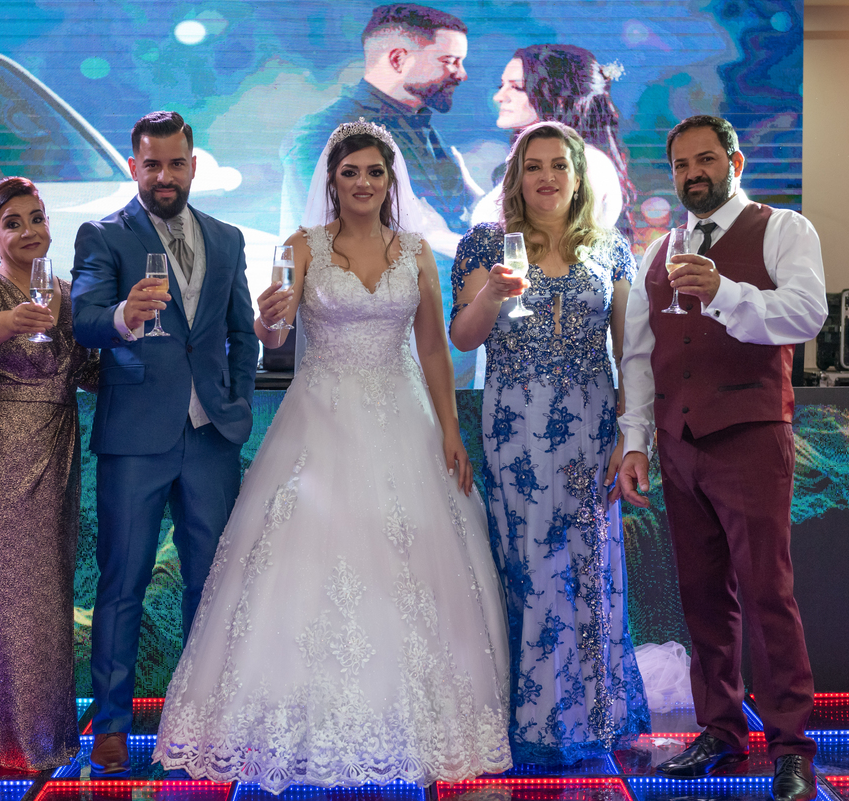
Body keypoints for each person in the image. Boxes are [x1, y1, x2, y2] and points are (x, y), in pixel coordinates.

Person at [154, 119, 510, 792]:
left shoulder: (415, 251)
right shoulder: (303, 246)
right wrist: (267, 319)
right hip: (319, 420)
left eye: (375, 172)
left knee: (414, 565)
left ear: (390, 180)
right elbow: (275, 332)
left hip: (403, 418)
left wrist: (450, 429)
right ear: (333, 180)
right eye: (351, 173)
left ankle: (411, 727)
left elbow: (434, 348)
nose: (363, 184)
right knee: (303, 561)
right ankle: (300, 726)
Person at [612, 115, 826, 801]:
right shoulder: (659, 250)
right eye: (680, 165)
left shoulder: (782, 229)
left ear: (734, 162)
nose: (692, 174)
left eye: (705, 160)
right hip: (678, 443)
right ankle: (722, 729)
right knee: (703, 598)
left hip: (750, 436)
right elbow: (640, 354)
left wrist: (724, 292)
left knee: (767, 594)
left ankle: (791, 748)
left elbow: (808, 314)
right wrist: (637, 442)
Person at [449, 121, 650, 767]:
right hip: (516, 426)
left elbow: (630, 350)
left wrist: (630, 434)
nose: (546, 177)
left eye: (558, 165)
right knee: (531, 567)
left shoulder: (610, 248)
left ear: (578, 175)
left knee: (591, 565)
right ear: (517, 177)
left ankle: (594, 715)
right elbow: (463, 337)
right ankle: (532, 720)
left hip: (592, 428)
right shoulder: (487, 243)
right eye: (533, 165)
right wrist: (491, 293)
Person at [71, 111, 259, 776]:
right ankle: (112, 726)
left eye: (176, 164)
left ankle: (204, 721)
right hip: (135, 437)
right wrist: (124, 316)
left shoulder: (227, 238)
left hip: (211, 438)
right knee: (123, 582)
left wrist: (236, 401)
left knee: (211, 585)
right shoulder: (103, 235)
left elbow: (242, 332)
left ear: (193, 166)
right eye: (152, 165)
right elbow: (84, 318)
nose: (164, 176)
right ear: (134, 167)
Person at [0, 177, 95, 771]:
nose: (30, 230)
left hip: (56, 455)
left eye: (38, 217)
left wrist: (131, 327)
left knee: (47, 595)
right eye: (14, 222)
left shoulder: (70, 293)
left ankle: (45, 737)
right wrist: (16, 318)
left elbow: (90, 371)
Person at [280, 3, 475, 247]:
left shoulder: (424, 130)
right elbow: (327, 239)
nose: (462, 74)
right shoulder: (325, 131)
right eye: (449, 61)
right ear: (398, 59)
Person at [471, 45, 636, 244]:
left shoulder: (584, 162)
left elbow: (550, 251)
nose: (499, 97)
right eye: (502, 85)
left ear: (559, 98)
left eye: (517, 87)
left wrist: (440, 237)